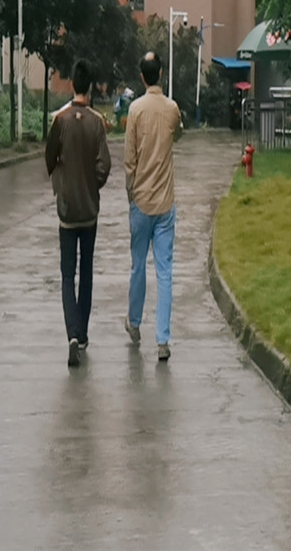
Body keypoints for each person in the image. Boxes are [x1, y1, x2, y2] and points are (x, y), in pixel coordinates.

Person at [45, 59, 111, 368]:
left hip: (67, 210)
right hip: (89, 210)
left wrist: (62, 179)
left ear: (72, 84)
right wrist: (92, 184)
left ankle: (71, 333)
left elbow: (49, 159)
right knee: (86, 272)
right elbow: (104, 165)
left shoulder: (60, 120)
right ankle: (82, 334)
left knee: (67, 275)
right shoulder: (97, 122)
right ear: (91, 86)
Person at [123, 51, 183, 361]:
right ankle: (162, 340)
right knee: (165, 271)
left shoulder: (135, 110)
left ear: (142, 77)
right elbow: (178, 134)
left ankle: (134, 323)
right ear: (160, 74)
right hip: (165, 202)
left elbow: (129, 159)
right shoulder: (172, 109)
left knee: (138, 266)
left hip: (141, 201)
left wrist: (130, 193)